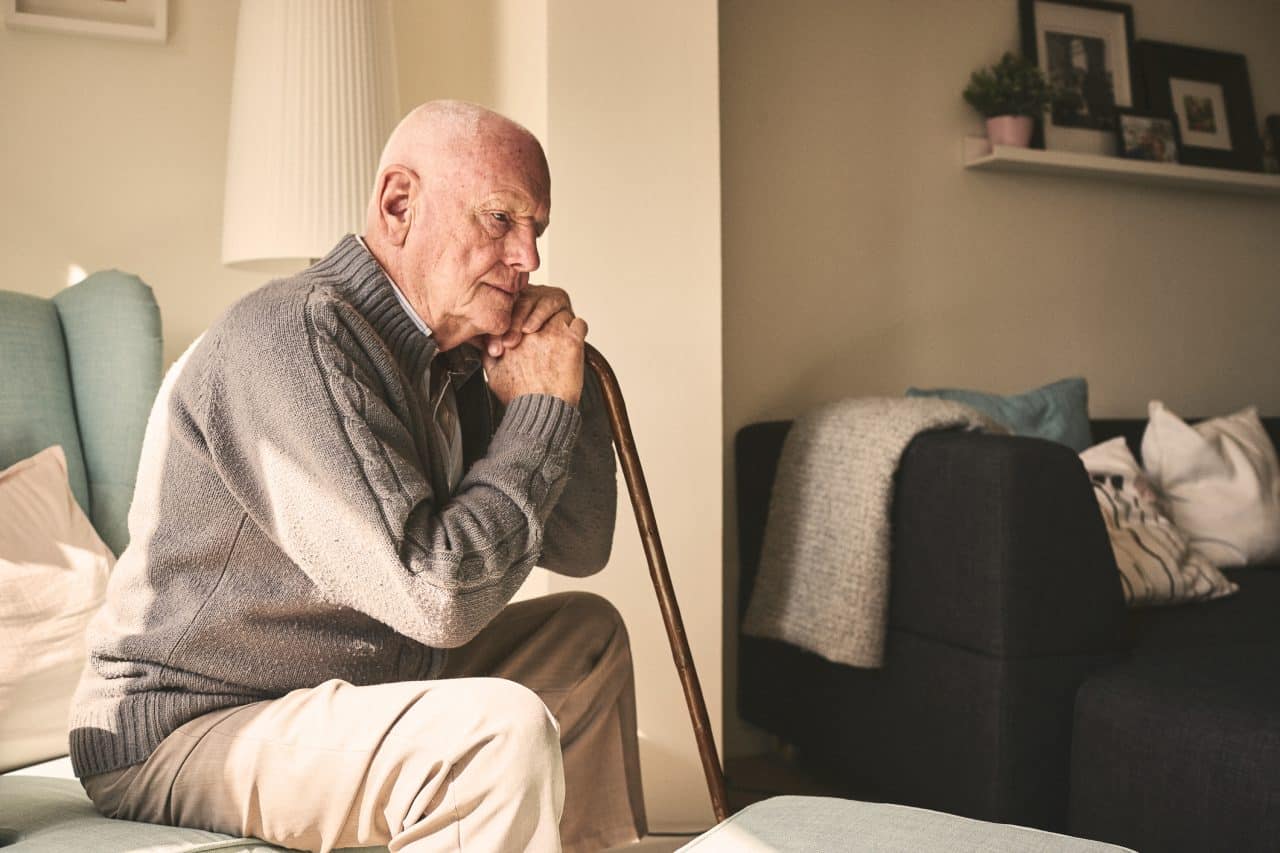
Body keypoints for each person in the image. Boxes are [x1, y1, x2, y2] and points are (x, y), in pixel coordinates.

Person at [69, 100, 647, 853]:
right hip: (190, 723)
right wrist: (538, 407)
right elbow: (440, 597)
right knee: (493, 735)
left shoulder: (456, 350)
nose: (528, 258)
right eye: (501, 219)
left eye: (537, 228)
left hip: (349, 683)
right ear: (399, 204)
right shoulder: (295, 334)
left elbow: (579, 541)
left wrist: (558, 383)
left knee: (587, 635)